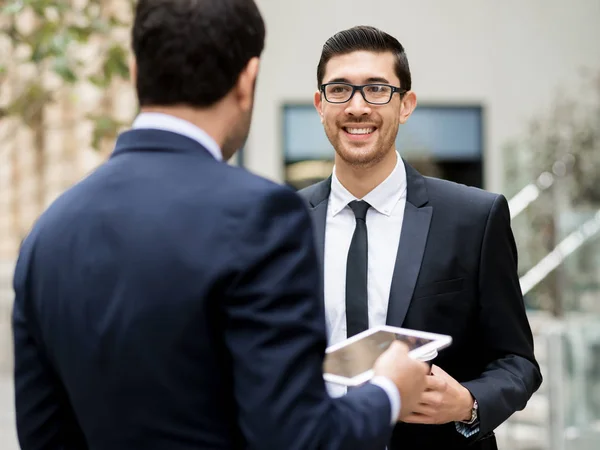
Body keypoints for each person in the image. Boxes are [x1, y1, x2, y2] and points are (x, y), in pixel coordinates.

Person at [11, 4, 430, 450]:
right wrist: (388, 392)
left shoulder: (48, 233)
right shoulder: (262, 215)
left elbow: (41, 433)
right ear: (248, 79)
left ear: (135, 73)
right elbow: (298, 439)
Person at [298, 26, 543, 450]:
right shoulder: (282, 223)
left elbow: (517, 361)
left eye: (376, 89)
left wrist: (468, 403)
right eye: (339, 89)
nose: (357, 107)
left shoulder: (474, 218)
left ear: (405, 104)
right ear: (320, 105)